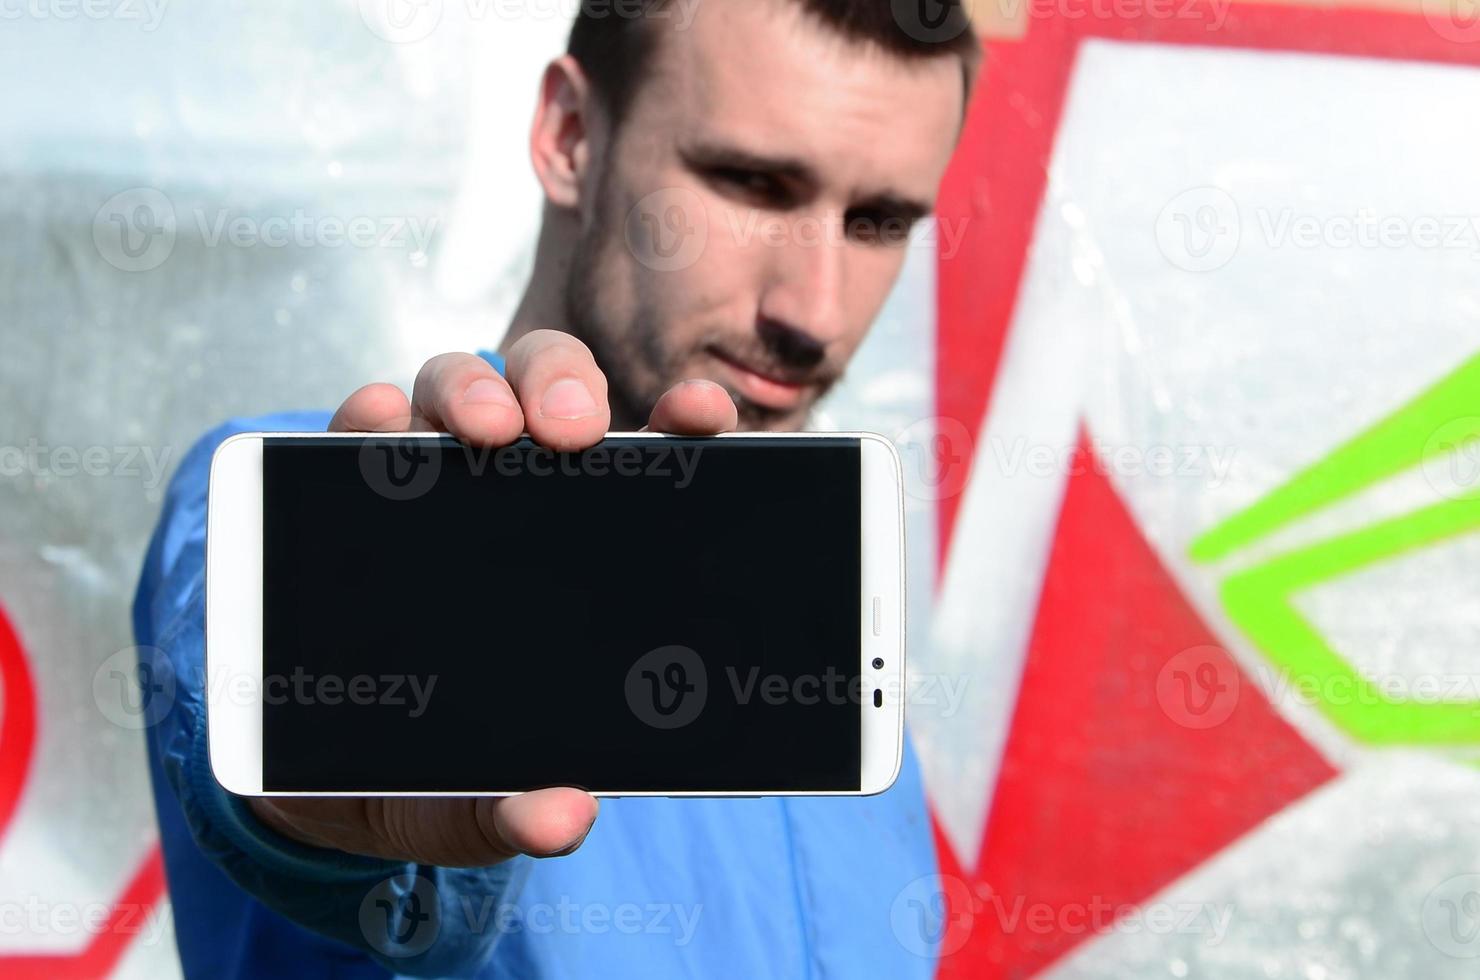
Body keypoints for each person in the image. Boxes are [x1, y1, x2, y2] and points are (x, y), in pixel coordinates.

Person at [133, 0, 979, 976]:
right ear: (571, 136)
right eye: (752, 182)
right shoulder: (300, 507)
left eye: (879, 221)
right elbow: (256, 734)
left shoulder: (830, 659)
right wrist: (308, 806)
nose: (814, 313)